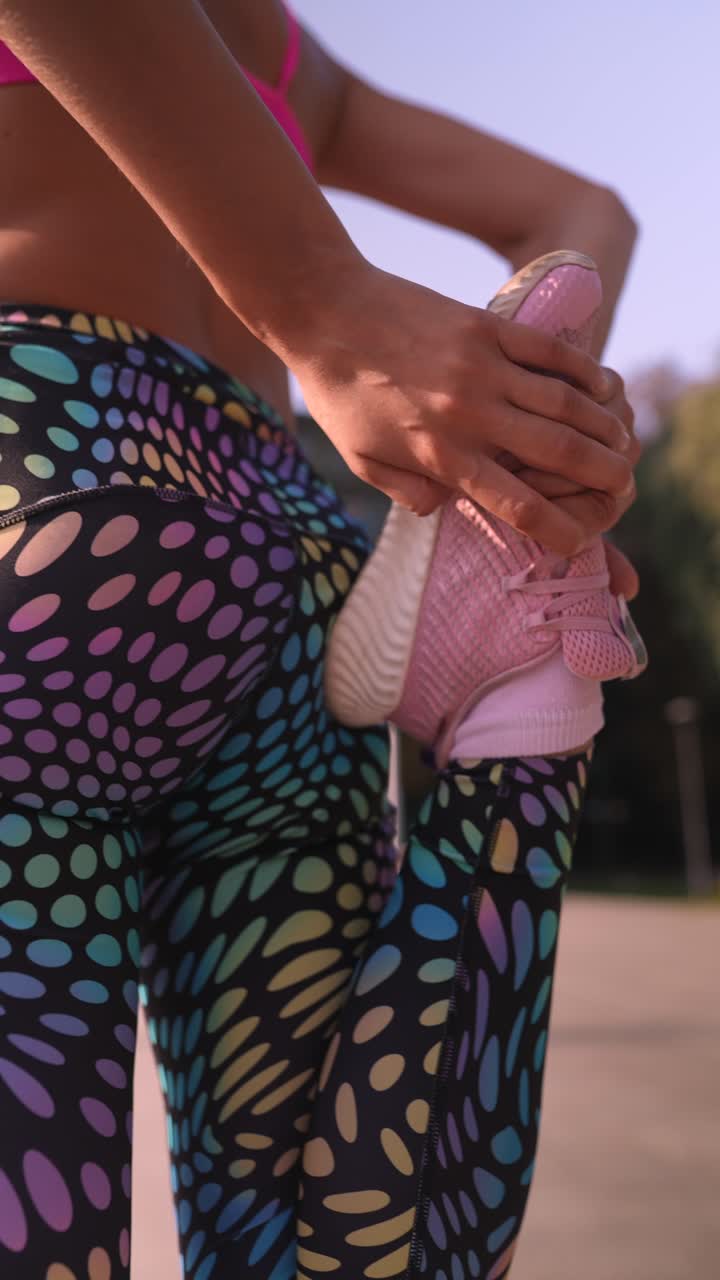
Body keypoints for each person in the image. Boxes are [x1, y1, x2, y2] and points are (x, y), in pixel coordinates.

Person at [0, 3, 640, 1278]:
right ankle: (517, 692)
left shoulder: (289, 48)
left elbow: (589, 206)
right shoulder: (288, 57)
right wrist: (337, 311)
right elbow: (584, 209)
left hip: (49, 486)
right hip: (282, 563)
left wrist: (353, 320)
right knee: (338, 1227)